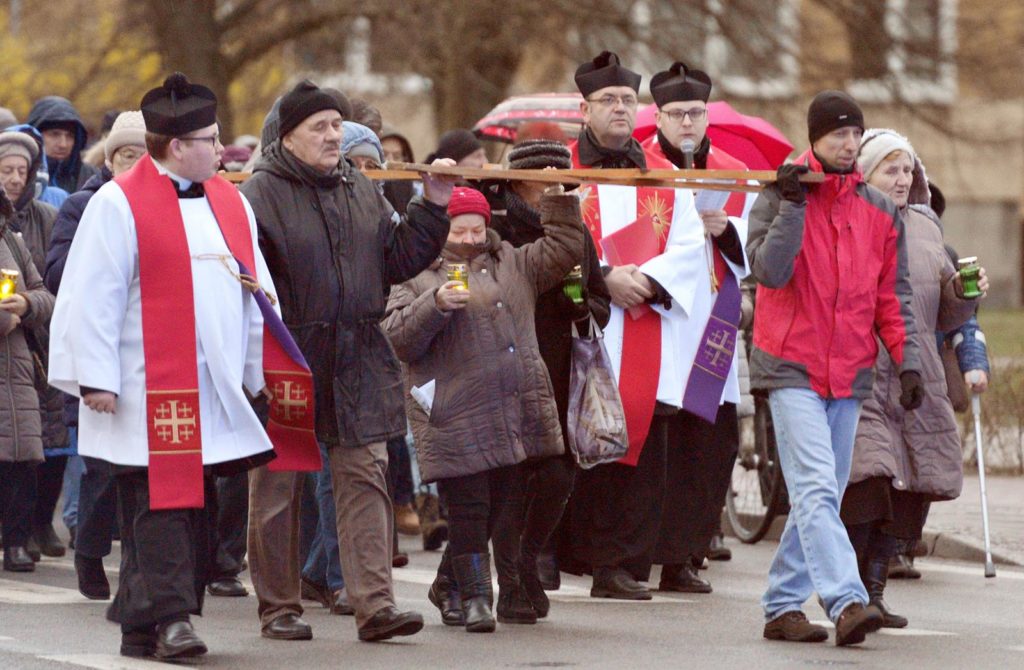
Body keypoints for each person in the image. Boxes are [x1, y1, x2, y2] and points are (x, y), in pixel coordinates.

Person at [48, 73, 293, 660]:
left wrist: (261, 370)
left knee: (193, 505)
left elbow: (255, 290)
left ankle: (140, 625)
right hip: (140, 389)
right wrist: (95, 377)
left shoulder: (230, 201)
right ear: (178, 146)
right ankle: (174, 619)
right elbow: (91, 295)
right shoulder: (116, 203)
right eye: (211, 139)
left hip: (211, 389)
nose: (221, 147)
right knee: (161, 504)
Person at [241, 79, 454, 643]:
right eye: (320, 127)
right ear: (288, 137)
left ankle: (374, 605)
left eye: (337, 125)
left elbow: (397, 260)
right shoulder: (258, 195)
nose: (334, 136)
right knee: (279, 487)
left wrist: (433, 206)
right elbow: (244, 285)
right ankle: (279, 606)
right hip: (289, 355)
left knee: (365, 477)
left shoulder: (360, 187)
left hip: (359, 353)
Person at [747, 91, 923, 646]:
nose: (848, 144)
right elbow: (769, 272)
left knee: (818, 493)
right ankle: (847, 601)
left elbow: (891, 297)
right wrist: (793, 205)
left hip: (849, 372)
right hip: (790, 366)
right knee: (818, 486)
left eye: (855, 134)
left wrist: (908, 361)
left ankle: (782, 605)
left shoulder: (879, 209)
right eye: (837, 135)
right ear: (815, 138)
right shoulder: (779, 193)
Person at [384, 185, 584, 632]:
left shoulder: (511, 261)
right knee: (470, 508)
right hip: (454, 409)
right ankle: (477, 599)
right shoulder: (416, 271)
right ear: (442, 229)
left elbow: (566, 249)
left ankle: (447, 585)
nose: (470, 239)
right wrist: (435, 305)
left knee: (496, 505)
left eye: (478, 229)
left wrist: (558, 202)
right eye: (460, 230)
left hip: (512, 407)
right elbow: (396, 337)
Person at [563, 50, 707, 602]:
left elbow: (690, 244)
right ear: (585, 108)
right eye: (609, 100)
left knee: (641, 452)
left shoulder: (662, 173)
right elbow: (546, 239)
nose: (621, 108)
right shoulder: (561, 168)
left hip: (646, 321)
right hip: (584, 321)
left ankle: (620, 562)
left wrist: (645, 280)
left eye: (628, 99)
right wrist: (603, 278)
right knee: (574, 441)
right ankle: (565, 552)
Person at [841, 128, 987, 628]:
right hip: (863, 371)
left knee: (908, 491)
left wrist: (963, 294)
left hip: (916, 374)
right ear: (865, 173)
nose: (902, 179)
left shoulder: (927, 226)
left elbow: (942, 313)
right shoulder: (848, 218)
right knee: (870, 480)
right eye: (891, 169)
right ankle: (849, 592)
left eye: (908, 169)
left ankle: (875, 591)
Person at [487, 138, 611, 618]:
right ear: (519, 182)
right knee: (511, 478)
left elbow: (599, 301)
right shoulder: (498, 228)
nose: (557, 193)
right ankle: (511, 582)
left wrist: (579, 304)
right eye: (547, 184)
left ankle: (526, 557)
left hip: (559, 371)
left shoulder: (577, 233)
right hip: (505, 368)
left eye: (564, 186)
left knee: (558, 475)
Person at [640, 62, 753, 589]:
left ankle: (685, 553)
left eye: (696, 112)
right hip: (663, 319)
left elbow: (753, 241)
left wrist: (725, 230)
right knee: (663, 443)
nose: (687, 122)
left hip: (713, 320)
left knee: (710, 444)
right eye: (677, 113)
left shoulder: (733, 171)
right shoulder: (639, 167)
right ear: (659, 117)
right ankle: (645, 548)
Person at [44, 110, 148, 601]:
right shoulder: (83, 205)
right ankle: (89, 551)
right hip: (97, 351)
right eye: (127, 154)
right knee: (103, 468)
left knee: (142, 470)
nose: (136, 164)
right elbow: (57, 274)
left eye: (145, 155)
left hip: (146, 352)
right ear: (109, 159)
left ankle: (138, 568)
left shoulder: (165, 206)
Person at [0, 188, 55, 573]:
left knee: (21, 459)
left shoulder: (11, 241)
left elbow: (45, 295)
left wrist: (26, 304)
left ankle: (16, 542)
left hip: (17, 370)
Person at [26, 96, 99, 193]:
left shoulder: (92, 178)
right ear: (35, 135)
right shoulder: (20, 174)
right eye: (54, 134)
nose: (63, 144)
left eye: (70, 136)